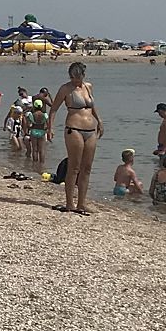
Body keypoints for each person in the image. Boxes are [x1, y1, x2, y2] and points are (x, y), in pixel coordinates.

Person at [47, 61, 102, 215]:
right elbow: (54, 109)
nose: (75, 80)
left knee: (87, 168)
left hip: (91, 130)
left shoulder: (88, 86)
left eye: (77, 77)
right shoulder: (65, 89)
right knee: (74, 167)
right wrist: (50, 128)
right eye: (72, 77)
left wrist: (99, 121)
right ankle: (70, 203)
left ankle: (82, 203)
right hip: (74, 129)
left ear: (83, 75)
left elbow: (92, 106)